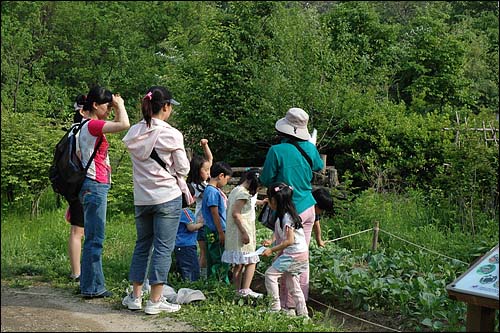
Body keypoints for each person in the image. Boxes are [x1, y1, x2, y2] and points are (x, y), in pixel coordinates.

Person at [121, 86, 189, 314]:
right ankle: (155, 300)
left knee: (142, 246)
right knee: (162, 248)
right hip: (167, 197)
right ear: (166, 107)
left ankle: (135, 297)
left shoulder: (133, 133)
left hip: (142, 198)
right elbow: (184, 167)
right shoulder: (171, 133)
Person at [259, 107, 324, 310]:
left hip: (288, 209)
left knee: (285, 256)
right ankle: (300, 302)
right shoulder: (309, 148)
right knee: (301, 255)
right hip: (308, 207)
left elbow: (266, 178)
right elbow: (318, 167)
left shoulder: (276, 151)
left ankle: (285, 306)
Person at [78, 86, 130, 299]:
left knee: (92, 237)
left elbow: (118, 123)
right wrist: (121, 105)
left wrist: (115, 107)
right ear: (94, 105)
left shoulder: (81, 125)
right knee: (95, 238)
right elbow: (124, 124)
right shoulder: (92, 125)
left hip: (90, 185)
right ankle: (91, 287)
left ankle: (91, 284)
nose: (109, 110)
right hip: (95, 184)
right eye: (107, 107)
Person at [261, 182, 309, 317]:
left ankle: (275, 307)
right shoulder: (285, 215)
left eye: (269, 198)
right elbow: (280, 233)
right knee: (292, 283)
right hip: (300, 254)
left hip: (293, 254)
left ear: (275, 201)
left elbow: (289, 240)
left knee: (270, 275)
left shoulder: (286, 217)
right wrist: (271, 241)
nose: (267, 200)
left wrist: (272, 250)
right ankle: (303, 313)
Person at [221, 168, 263, 298]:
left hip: (234, 232)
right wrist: (244, 233)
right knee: (251, 260)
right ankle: (245, 289)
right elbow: (236, 214)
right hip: (241, 232)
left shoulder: (235, 190)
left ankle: (237, 290)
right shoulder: (243, 194)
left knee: (238, 263)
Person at [66, 94, 89, 282]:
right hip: (83, 183)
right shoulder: (84, 129)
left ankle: (77, 271)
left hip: (72, 183)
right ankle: (78, 272)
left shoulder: (72, 130)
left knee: (78, 230)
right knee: (79, 230)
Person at [201, 161, 233, 283]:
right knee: (220, 258)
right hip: (216, 230)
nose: (226, 183)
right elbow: (214, 213)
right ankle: (221, 283)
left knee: (214, 257)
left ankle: (213, 282)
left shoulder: (210, 190)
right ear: (221, 176)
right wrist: (221, 232)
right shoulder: (212, 191)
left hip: (213, 229)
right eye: (227, 179)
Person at [186, 139, 213, 279]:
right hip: (202, 221)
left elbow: (210, 159)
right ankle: (200, 277)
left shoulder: (204, 182)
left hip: (209, 220)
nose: (209, 173)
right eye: (206, 170)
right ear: (197, 170)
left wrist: (205, 146)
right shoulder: (195, 186)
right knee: (203, 251)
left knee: (208, 250)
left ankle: (204, 275)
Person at [174, 187, 204, 282]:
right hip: (187, 245)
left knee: (183, 268)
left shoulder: (176, 211)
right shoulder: (186, 212)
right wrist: (201, 224)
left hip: (178, 245)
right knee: (191, 268)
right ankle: (191, 285)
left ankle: (182, 283)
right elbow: (190, 227)